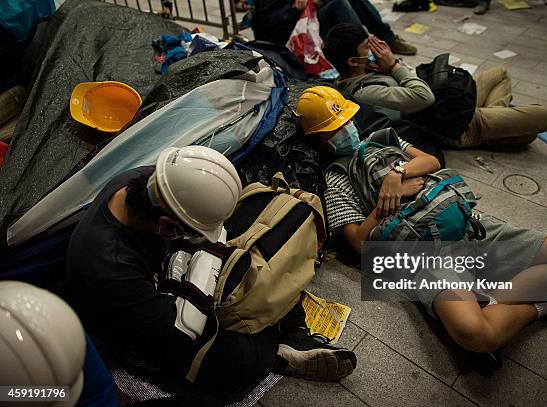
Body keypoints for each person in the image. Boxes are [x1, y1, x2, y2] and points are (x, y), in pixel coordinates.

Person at [296, 86, 547, 358]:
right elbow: (360, 243)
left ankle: (495, 301)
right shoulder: (335, 181)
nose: (348, 129)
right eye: (335, 128)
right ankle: (543, 304)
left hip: (467, 222)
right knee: (476, 334)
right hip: (424, 254)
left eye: (348, 120)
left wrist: (397, 174)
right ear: (317, 139)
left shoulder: (383, 139)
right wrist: (384, 203)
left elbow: (431, 161)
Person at [65, 146, 356, 404]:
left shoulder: (148, 182)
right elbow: (180, 331)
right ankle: (274, 348)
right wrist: (207, 266)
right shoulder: (110, 264)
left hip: (157, 286)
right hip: (138, 334)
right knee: (234, 360)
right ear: (167, 225)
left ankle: (289, 330)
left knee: (255, 272)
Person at [323, 23, 547, 149]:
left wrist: (389, 67)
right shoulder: (365, 92)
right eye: (369, 46)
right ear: (352, 62)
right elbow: (424, 97)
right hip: (454, 123)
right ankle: (488, 127)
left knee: (499, 74)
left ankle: (495, 119)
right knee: (543, 118)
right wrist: (393, 65)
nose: (377, 49)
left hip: (452, 103)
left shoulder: (364, 69)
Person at [251, 0, 417, 56]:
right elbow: (266, 26)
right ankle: (362, 53)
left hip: (307, 23)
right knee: (339, 4)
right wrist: (294, 9)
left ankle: (386, 40)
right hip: (286, 35)